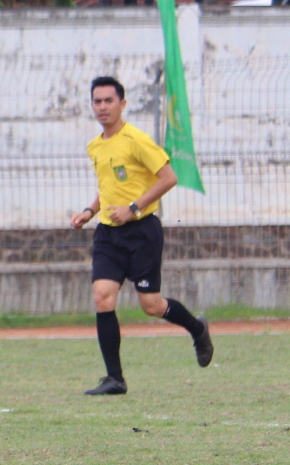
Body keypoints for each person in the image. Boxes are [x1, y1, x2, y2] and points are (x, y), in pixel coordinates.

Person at [69, 76, 213, 394]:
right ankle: (114, 379)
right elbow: (107, 187)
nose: (102, 107)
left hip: (141, 231)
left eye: (109, 100)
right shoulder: (95, 146)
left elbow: (168, 177)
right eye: (97, 101)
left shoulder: (137, 140)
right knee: (102, 297)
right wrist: (90, 211)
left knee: (150, 305)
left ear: (122, 103)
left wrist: (134, 207)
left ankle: (197, 328)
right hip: (108, 233)